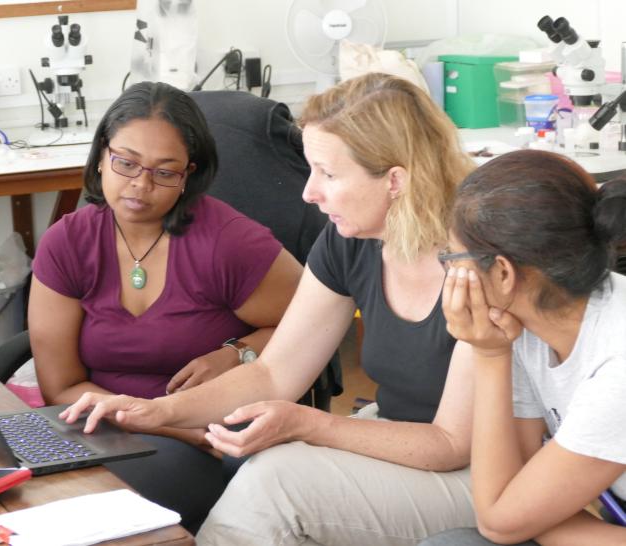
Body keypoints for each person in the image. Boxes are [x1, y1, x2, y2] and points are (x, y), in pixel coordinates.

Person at [61, 72, 479, 545]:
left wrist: (310, 423)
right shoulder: (351, 242)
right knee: (267, 467)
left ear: (395, 181)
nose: (308, 193)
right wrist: (158, 411)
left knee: (278, 486)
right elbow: (274, 373)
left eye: (328, 174)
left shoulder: (478, 263)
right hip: (396, 438)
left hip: (481, 473)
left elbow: (451, 444)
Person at [28, 81, 303, 532]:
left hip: (206, 434)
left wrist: (236, 353)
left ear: (189, 175)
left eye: (164, 172)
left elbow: (311, 330)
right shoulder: (68, 242)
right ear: (101, 156)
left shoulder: (229, 243)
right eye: (126, 163)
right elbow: (60, 389)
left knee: (91, 518)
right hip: (108, 425)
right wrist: (161, 424)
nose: (140, 184)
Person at [421, 150, 626, 546]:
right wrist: (495, 353)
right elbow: (507, 499)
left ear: (502, 272)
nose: (447, 270)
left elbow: (500, 520)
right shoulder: (531, 322)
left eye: (451, 256)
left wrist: (488, 356)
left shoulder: (618, 363)